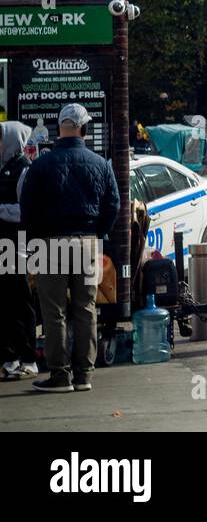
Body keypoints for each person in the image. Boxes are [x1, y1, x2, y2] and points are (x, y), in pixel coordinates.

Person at [19, 104, 119, 393]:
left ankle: (60, 376)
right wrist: (97, 233)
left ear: (57, 129)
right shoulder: (100, 164)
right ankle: (84, 374)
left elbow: (28, 209)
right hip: (87, 242)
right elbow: (113, 205)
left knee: (54, 311)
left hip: (50, 243)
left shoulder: (41, 166)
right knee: (86, 308)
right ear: (84, 129)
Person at [0, 122, 38, 380]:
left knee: (19, 298)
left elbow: (25, 210)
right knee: (5, 300)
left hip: (16, 244)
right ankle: (10, 356)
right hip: (4, 242)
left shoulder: (23, 170)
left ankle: (28, 358)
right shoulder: (4, 167)